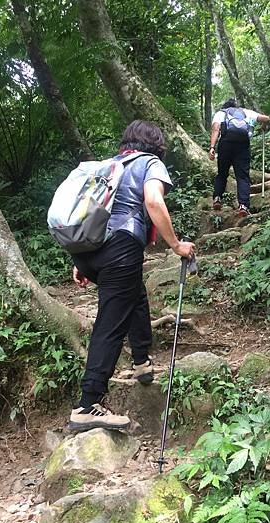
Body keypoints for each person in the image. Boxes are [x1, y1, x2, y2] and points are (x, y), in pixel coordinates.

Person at [69, 120, 195, 432]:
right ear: (156, 145)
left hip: (89, 250)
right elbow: (153, 200)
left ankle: (141, 361)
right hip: (120, 250)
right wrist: (176, 245)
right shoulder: (149, 163)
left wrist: (83, 262)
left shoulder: (109, 165)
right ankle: (88, 404)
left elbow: (89, 212)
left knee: (134, 293)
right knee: (110, 325)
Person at [209, 98, 270, 217]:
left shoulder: (221, 113)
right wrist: (263, 126)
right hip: (242, 145)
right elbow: (266, 118)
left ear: (224, 106)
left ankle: (217, 198)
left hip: (225, 144)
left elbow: (216, 129)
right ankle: (243, 205)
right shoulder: (246, 112)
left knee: (222, 173)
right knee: (242, 176)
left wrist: (212, 147)